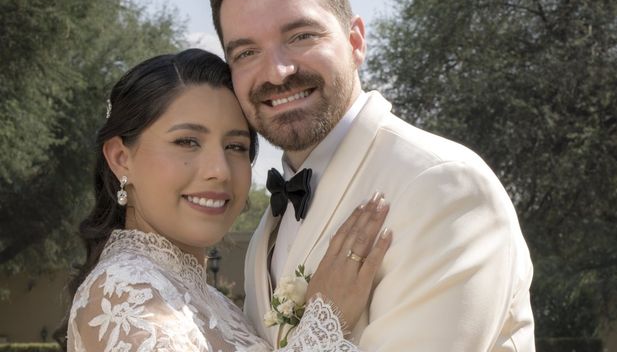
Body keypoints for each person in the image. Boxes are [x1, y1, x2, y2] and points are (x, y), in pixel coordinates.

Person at [209, 0, 536, 351]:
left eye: (300, 36)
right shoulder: (267, 230)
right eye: (246, 52)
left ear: (355, 41)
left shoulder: (443, 185)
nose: (277, 72)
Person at [57, 48, 392, 351]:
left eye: (235, 147)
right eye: (187, 142)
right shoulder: (123, 290)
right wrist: (324, 324)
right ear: (120, 158)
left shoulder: (212, 301)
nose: (219, 170)